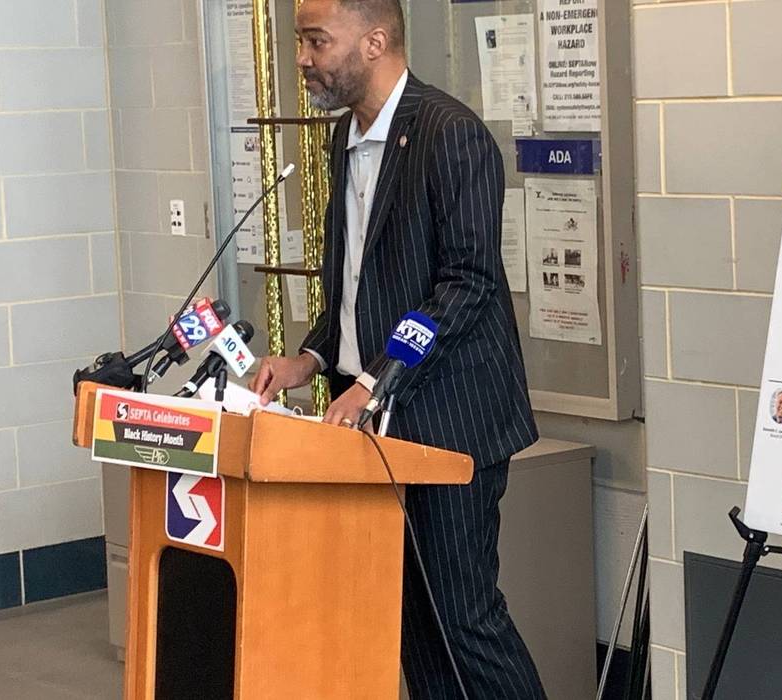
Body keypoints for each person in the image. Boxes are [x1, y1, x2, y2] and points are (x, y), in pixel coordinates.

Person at [249, 2, 545, 695]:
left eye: (316, 40)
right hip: (371, 429)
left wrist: (375, 381)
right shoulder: (339, 140)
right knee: (407, 619)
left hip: (448, 419)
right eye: (301, 41)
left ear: (375, 41)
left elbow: (467, 284)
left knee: (462, 617)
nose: (302, 58)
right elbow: (356, 284)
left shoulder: (450, 135)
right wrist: (312, 359)